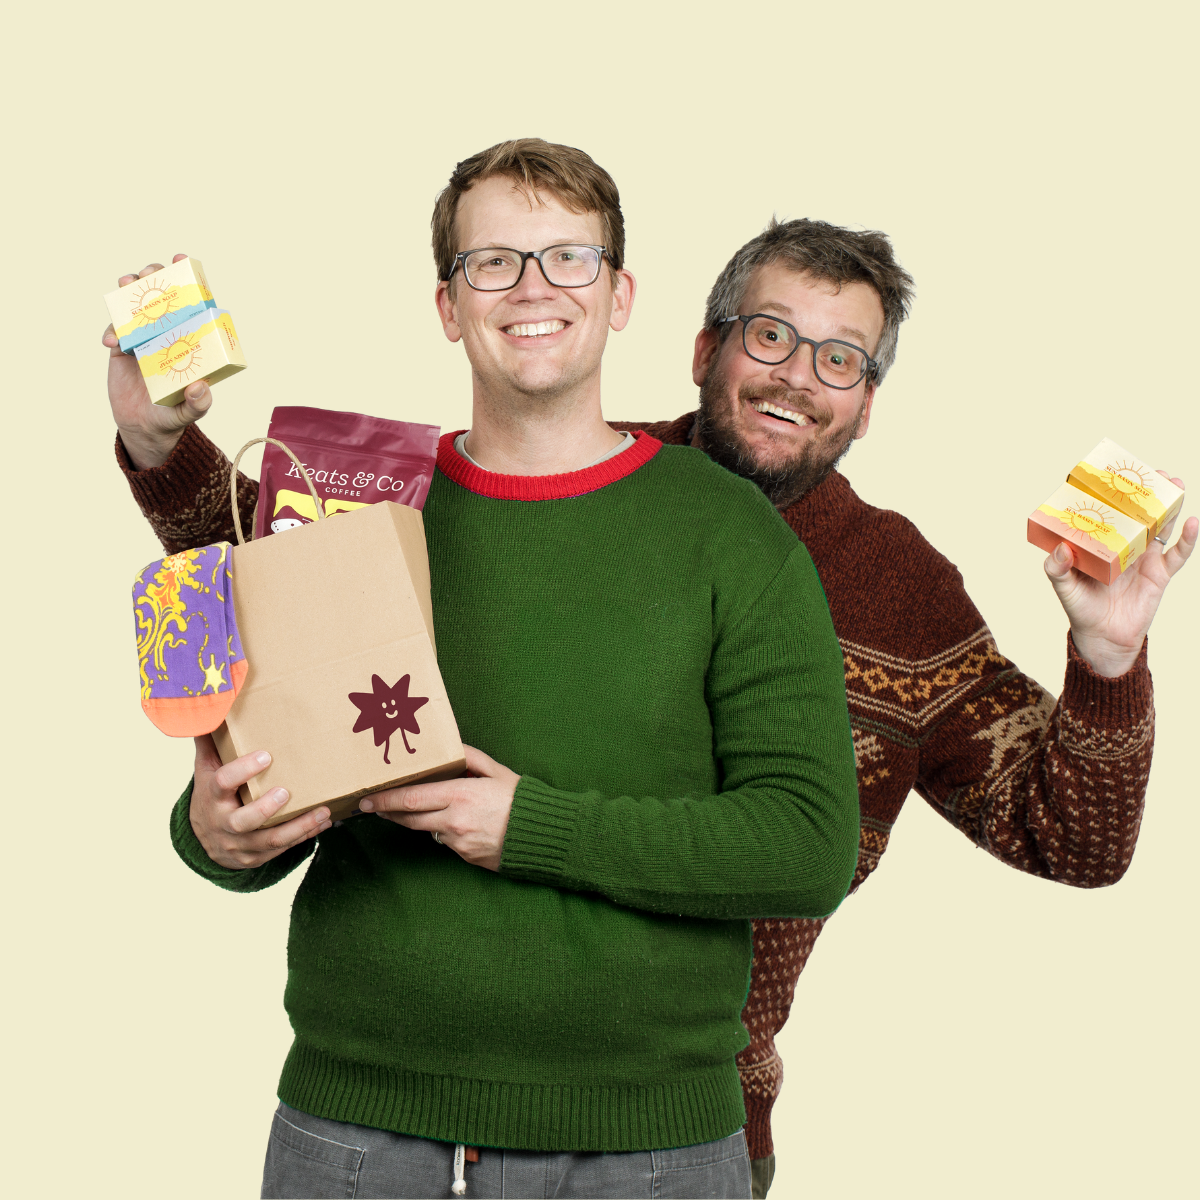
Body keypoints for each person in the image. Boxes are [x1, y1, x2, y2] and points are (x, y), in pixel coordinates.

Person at [103, 143, 862, 1199]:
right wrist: (218, 830)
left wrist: (531, 828)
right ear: (449, 307)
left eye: (569, 258)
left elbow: (809, 844)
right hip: (357, 1133)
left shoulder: (726, 534)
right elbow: (270, 784)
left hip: (646, 1147)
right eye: (493, 262)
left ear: (622, 294)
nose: (534, 288)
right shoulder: (353, 506)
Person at [606, 217, 1194, 1197]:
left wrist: (1108, 656)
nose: (799, 375)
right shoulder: (571, 479)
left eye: (840, 359)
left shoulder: (900, 589)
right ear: (707, 349)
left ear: (866, 405)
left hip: (694, 1129)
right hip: (444, 1085)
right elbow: (341, 576)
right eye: (770, 335)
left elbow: (1075, 841)